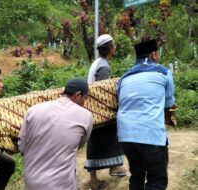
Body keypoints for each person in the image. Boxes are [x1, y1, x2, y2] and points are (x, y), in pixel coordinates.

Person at [116, 39, 176, 190]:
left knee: (136, 175)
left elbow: (120, 101)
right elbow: (169, 104)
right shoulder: (163, 72)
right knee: (156, 181)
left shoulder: (124, 77)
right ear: (154, 55)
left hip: (126, 136)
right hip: (151, 135)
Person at [18, 77, 93, 190]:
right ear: (78, 95)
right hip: (61, 184)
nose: (84, 102)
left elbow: (22, 147)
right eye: (85, 98)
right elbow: (79, 145)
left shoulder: (34, 110)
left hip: (32, 182)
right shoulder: (86, 116)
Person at [85, 34, 126, 190]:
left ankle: (114, 167)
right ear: (109, 48)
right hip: (98, 112)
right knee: (97, 143)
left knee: (109, 140)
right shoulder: (103, 67)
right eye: (113, 45)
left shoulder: (99, 63)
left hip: (95, 111)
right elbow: (102, 92)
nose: (115, 47)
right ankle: (94, 181)